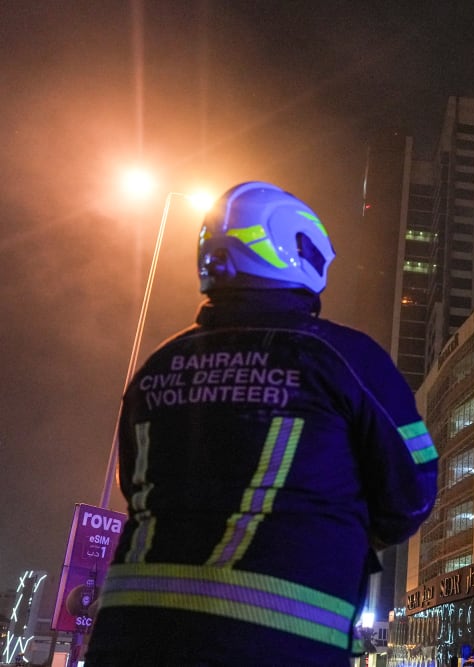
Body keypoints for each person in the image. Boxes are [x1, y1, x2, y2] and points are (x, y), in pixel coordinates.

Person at [86, 182, 438, 666]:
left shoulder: (158, 366)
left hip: (125, 638)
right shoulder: (344, 357)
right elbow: (413, 489)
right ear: (296, 249)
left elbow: (136, 486)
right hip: (275, 641)